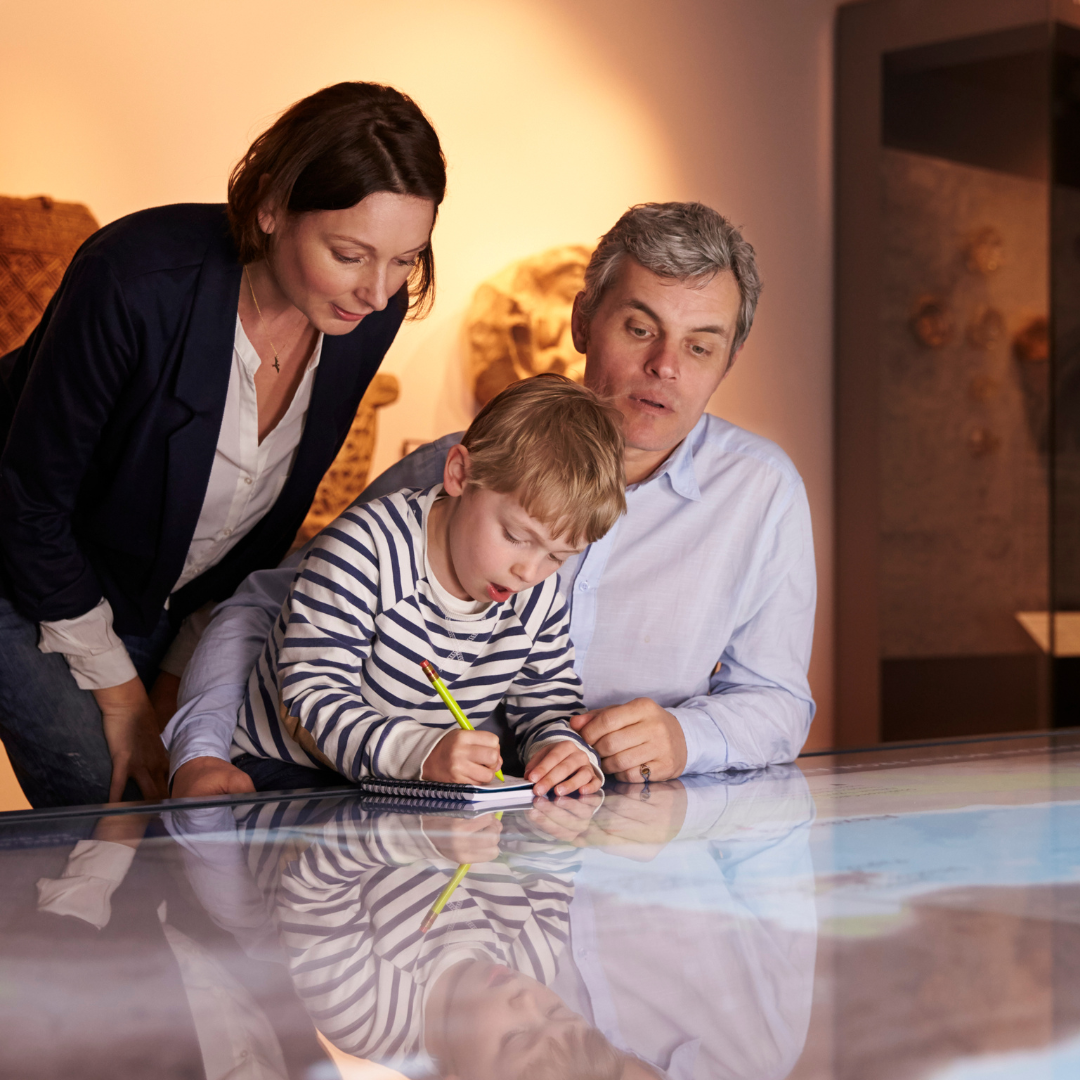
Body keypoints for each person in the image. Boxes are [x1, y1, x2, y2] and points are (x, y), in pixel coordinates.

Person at [167, 200, 817, 799]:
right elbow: (270, 608)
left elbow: (780, 703)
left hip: (628, 828)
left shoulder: (763, 492)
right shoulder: (465, 470)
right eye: (640, 329)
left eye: (700, 346)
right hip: (404, 800)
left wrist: (684, 738)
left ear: (727, 360)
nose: (666, 367)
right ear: (584, 322)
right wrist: (192, 749)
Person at [0, 81, 446, 808]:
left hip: (150, 591)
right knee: (103, 790)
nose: (377, 292)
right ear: (270, 207)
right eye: (350, 254)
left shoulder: (365, 311)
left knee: (219, 785)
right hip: (21, 555)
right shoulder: (132, 279)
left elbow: (271, 514)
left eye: (405, 259)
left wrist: (180, 677)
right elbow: (26, 506)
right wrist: (122, 696)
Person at [232, 374, 622, 796]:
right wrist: (421, 755)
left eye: (557, 556)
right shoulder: (363, 551)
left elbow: (548, 702)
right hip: (290, 774)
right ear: (459, 474)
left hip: (410, 784)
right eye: (515, 536)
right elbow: (309, 703)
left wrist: (561, 749)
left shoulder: (536, 592)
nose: (529, 572)